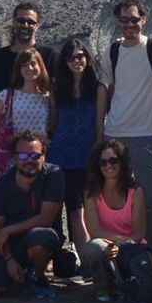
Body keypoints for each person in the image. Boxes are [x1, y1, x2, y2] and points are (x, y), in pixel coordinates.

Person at [96, 0, 152, 251]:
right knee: (114, 197)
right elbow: (104, 92)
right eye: (124, 20)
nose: (129, 24)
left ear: (144, 20)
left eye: (134, 19)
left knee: (151, 198)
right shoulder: (112, 51)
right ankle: (117, 250)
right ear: (118, 22)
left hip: (145, 133)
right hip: (115, 132)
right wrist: (99, 133)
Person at [0, 130, 64, 298]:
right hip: (13, 245)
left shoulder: (54, 175)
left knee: (39, 236)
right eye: (24, 157)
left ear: (44, 156)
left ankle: (39, 277)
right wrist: (9, 260)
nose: (29, 161)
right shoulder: (3, 182)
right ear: (15, 158)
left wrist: (8, 230)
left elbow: (45, 220)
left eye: (35, 156)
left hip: (44, 239)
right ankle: (20, 274)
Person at [78, 139, 150, 302]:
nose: (108, 166)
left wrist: (123, 245)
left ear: (122, 163)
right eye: (103, 162)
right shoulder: (91, 192)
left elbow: (139, 234)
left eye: (113, 161)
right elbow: (94, 231)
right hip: (105, 244)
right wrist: (115, 244)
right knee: (92, 248)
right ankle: (104, 289)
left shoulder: (135, 192)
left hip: (132, 247)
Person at [50, 38, 101, 263]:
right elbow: (52, 121)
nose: (76, 61)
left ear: (87, 58)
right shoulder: (58, 88)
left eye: (80, 56)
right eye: (71, 57)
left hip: (87, 154)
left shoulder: (98, 88)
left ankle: (90, 259)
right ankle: (84, 259)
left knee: (87, 208)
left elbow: (99, 123)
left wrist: (97, 151)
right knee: (72, 208)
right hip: (61, 154)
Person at [0, 48, 52, 176]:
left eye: (33, 64)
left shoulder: (47, 98)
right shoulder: (7, 96)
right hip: (11, 159)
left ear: (40, 66)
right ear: (19, 70)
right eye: (24, 65)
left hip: (38, 159)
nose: (29, 68)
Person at [0, 2, 56, 98]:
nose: (25, 25)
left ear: (37, 26)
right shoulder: (0, 57)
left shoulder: (50, 55)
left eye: (31, 22)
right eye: (21, 20)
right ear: (14, 22)